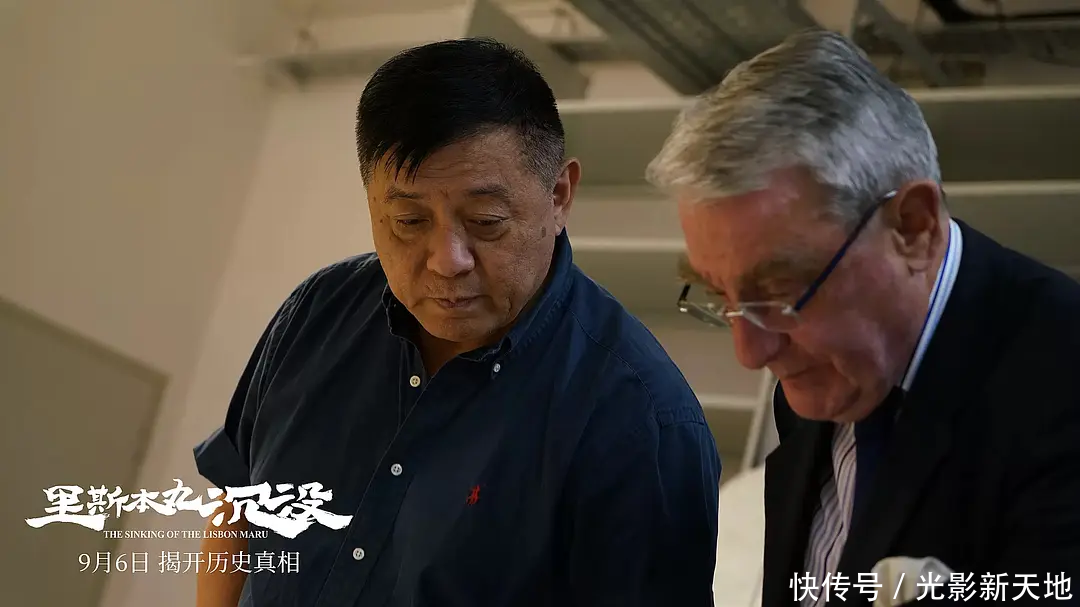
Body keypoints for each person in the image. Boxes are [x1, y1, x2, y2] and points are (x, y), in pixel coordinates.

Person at [193, 38, 721, 607]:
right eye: (409, 221)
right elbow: (239, 504)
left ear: (559, 196)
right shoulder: (319, 310)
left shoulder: (641, 421)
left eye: (486, 221)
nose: (448, 261)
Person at [646, 28, 1080, 607]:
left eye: (781, 290)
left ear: (914, 228)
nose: (750, 354)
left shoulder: (1062, 385)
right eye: (718, 292)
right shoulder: (822, 364)